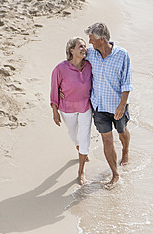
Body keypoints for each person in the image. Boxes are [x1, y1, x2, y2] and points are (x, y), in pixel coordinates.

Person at [84, 22, 133, 189]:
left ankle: (125, 151)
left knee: (122, 131)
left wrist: (122, 105)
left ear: (102, 39)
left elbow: (127, 83)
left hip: (117, 105)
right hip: (99, 106)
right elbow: (73, 60)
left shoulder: (122, 55)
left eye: (92, 39)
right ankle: (115, 174)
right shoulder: (90, 54)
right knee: (106, 139)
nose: (89, 42)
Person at [50, 37, 93, 185]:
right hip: (67, 108)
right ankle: (79, 147)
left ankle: (81, 172)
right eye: (80, 46)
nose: (84, 49)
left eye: (85, 46)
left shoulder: (89, 65)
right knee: (74, 136)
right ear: (71, 50)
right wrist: (55, 111)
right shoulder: (60, 69)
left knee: (85, 137)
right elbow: (54, 90)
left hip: (86, 107)